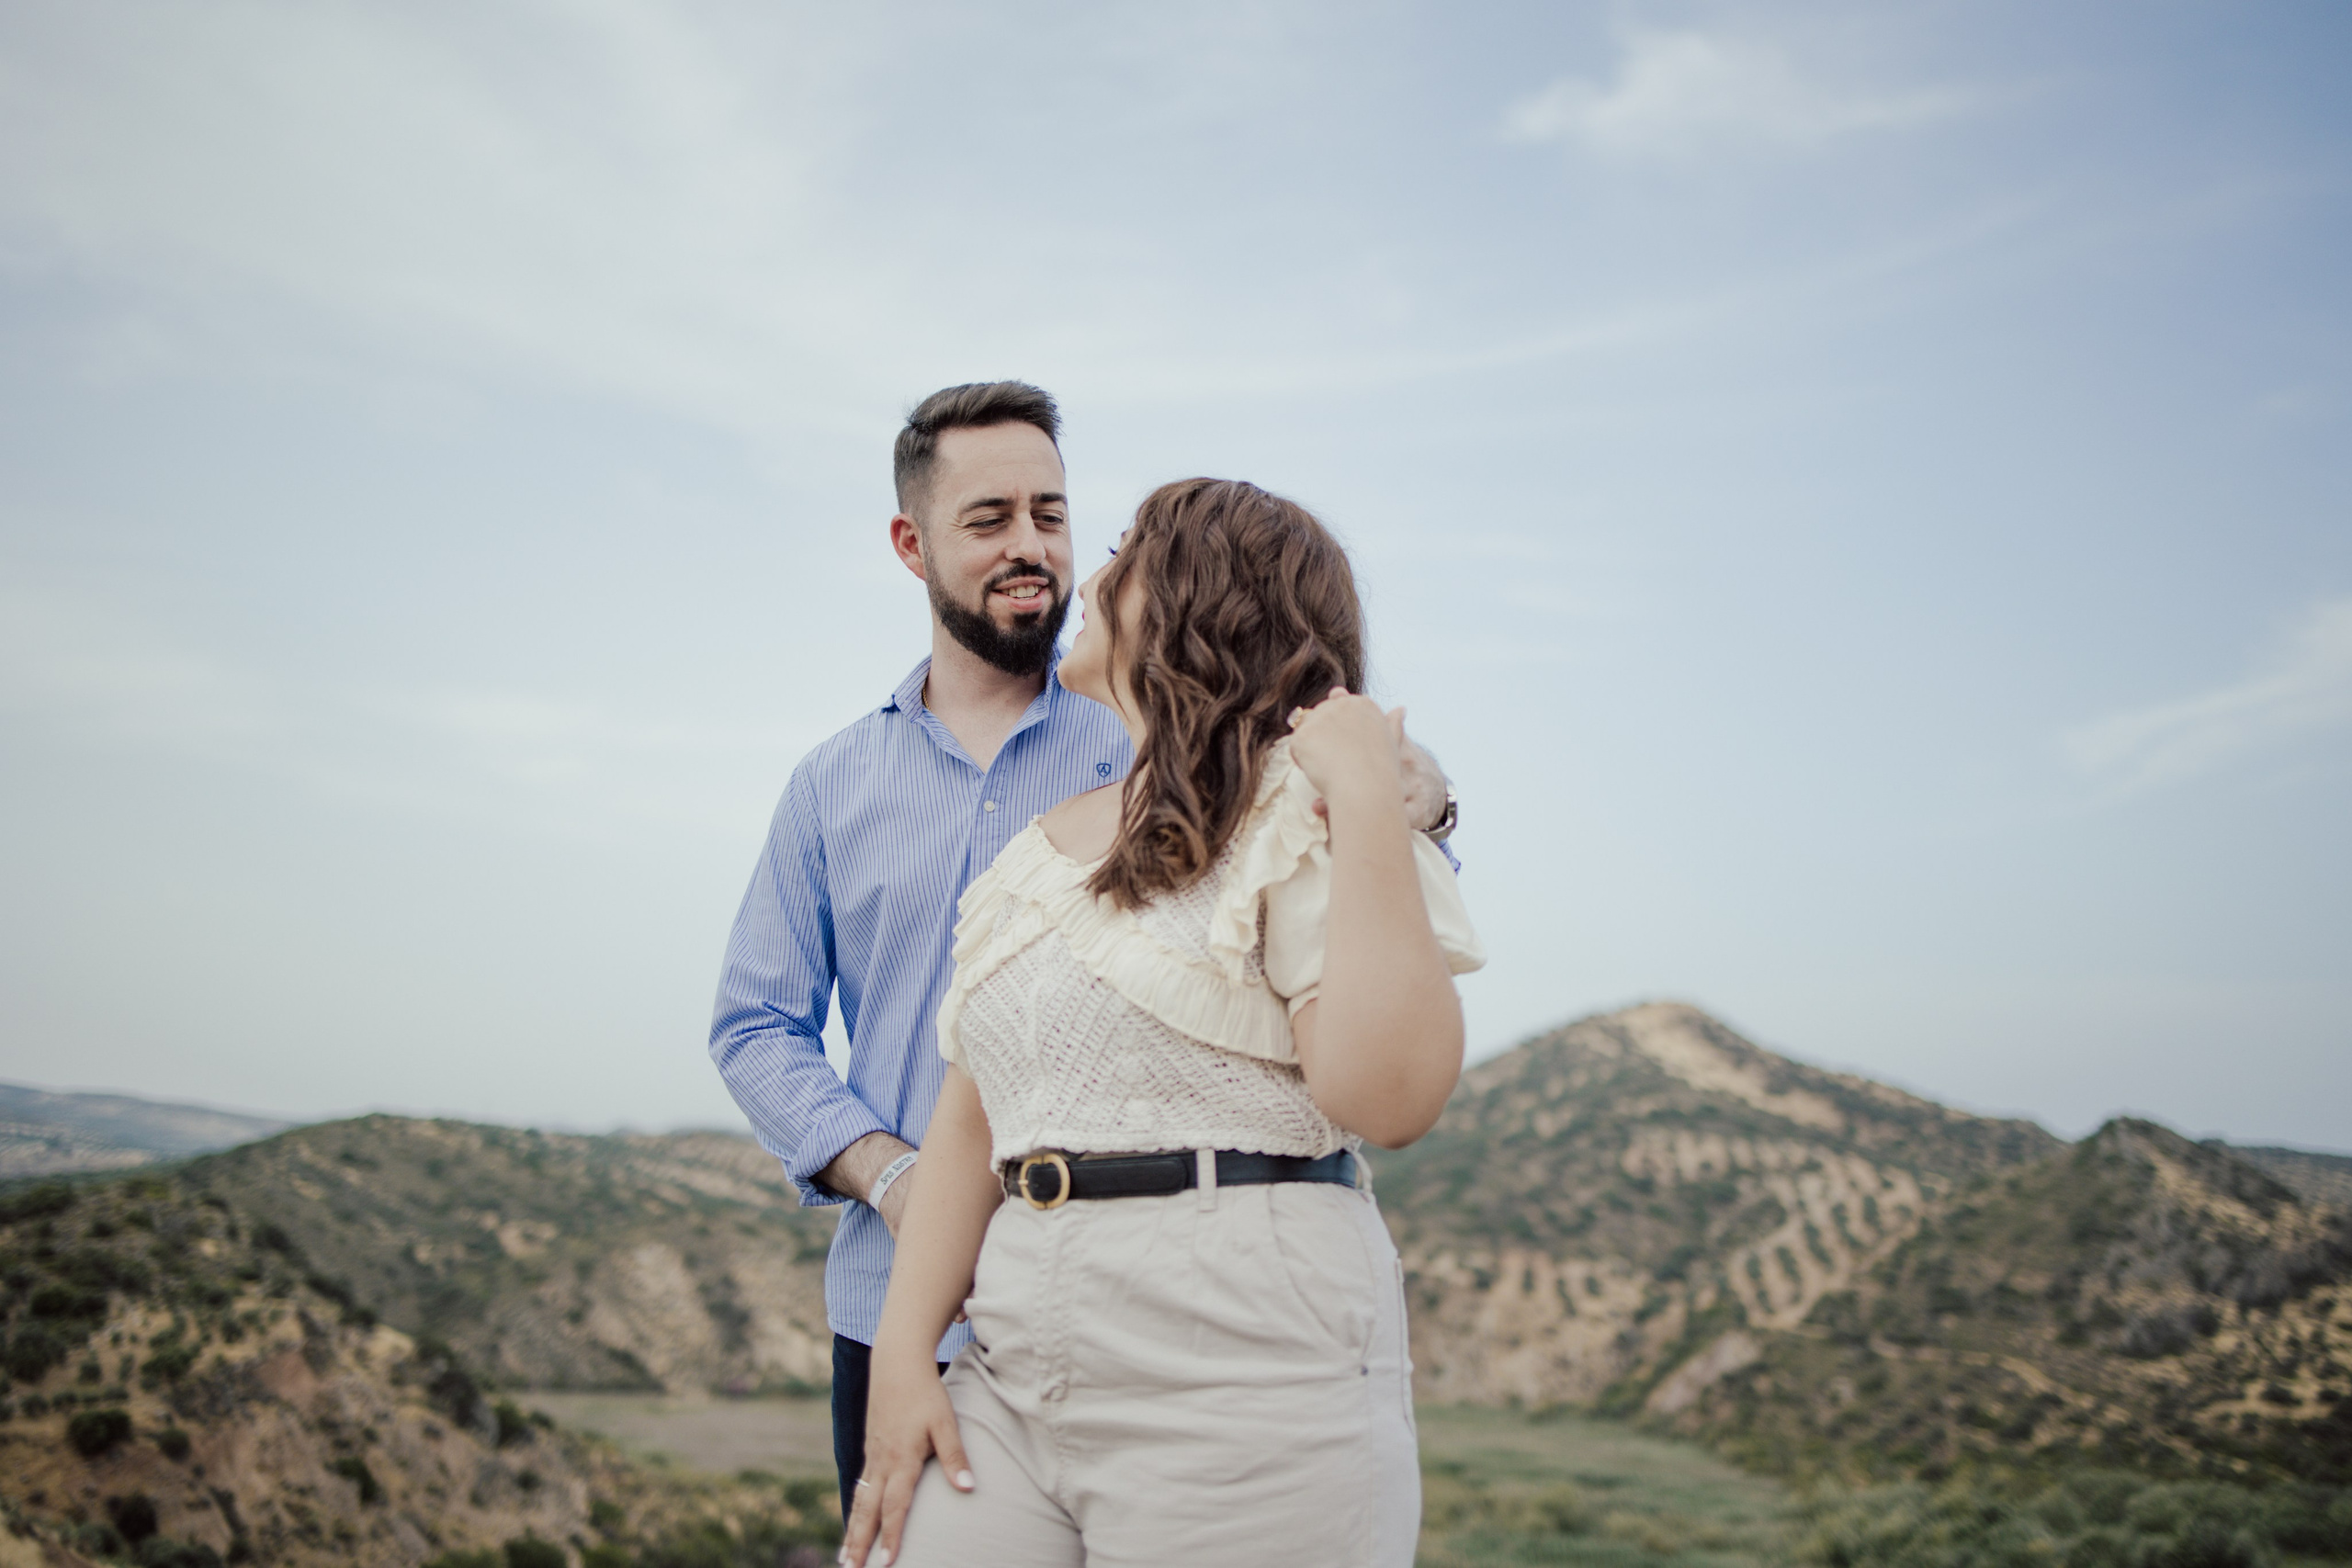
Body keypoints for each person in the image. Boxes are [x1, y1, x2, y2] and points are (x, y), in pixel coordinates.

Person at [706, 383, 1458, 1519]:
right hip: (899, 1306)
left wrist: (1421, 803)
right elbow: (755, 1027)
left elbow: (1349, 940)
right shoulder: (830, 787)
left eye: (1052, 516)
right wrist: (893, 1180)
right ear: (912, 544)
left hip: (1188, 1319)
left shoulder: (1176, 733)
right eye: (990, 518)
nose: (1033, 549)